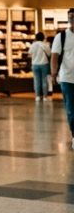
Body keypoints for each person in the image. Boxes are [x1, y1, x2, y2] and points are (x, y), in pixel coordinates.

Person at [52, 9, 74, 149]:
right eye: (69, 17)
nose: (71, 20)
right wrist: (53, 73)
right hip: (67, 78)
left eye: (73, 17)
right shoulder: (61, 36)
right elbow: (54, 56)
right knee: (71, 110)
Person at [29, 32, 52, 101]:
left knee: (36, 80)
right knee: (44, 80)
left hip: (35, 64)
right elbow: (49, 54)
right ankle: (45, 97)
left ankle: (37, 96)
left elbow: (30, 53)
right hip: (44, 64)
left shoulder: (33, 45)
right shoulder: (45, 45)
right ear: (43, 38)